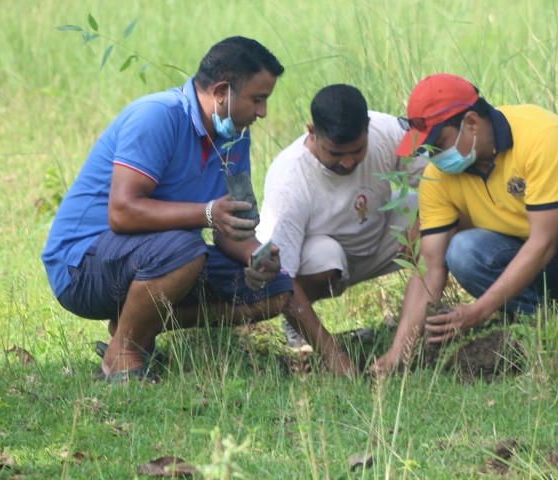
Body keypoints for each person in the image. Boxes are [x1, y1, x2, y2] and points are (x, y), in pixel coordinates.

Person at [42, 36, 350, 382]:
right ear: (222, 91)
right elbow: (122, 212)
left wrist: (255, 256)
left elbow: (229, 226)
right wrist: (206, 213)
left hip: (156, 258)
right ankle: (124, 356)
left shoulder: (236, 137)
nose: (263, 112)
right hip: (81, 267)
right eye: (258, 99)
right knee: (185, 250)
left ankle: (132, 328)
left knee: (277, 291)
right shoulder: (157, 116)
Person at [372, 73, 558, 376]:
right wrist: (399, 351)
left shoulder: (541, 135)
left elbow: (543, 244)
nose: (433, 156)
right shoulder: (439, 179)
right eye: (427, 149)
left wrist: (479, 311)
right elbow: (429, 266)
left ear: (472, 122)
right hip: (538, 261)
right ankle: (547, 329)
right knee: (462, 250)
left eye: (438, 143)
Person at [256, 84, 427, 354]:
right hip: (322, 261)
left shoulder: (387, 130)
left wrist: (422, 224)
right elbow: (280, 276)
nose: (347, 162)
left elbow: (440, 175)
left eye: (357, 151)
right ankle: (299, 327)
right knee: (326, 255)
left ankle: (436, 316)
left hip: (378, 235)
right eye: (335, 153)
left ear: (368, 127)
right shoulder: (289, 181)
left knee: (434, 214)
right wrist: (334, 356)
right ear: (312, 132)